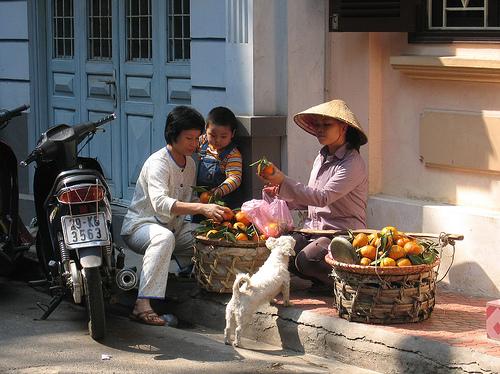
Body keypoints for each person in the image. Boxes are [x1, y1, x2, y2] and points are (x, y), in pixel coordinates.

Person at [120, 105, 231, 326]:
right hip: (141, 227)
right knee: (163, 238)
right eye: (189, 138)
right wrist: (201, 209)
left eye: (197, 138)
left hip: (175, 228)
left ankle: (197, 282)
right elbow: (161, 204)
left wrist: (214, 209)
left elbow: (187, 202)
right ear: (173, 135)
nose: (194, 144)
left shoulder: (190, 163)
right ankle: (141, 305)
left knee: (212, 237)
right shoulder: (158, 163)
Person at [259, 99, 368, 290]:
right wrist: (280, 195)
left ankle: (345, 284)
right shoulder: (322, 156)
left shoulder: (353, 163)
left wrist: (283, 180)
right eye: (317, 125)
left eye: (326, 125)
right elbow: (310, 200)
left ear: (343, 128)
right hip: (314, 231)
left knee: (306, 259)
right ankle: (323, 281)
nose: (320, 129)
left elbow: (322, 197)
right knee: (280, 251)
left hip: (341, 235)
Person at [196, 106, 243, 210]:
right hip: (201, 204)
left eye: (223, 137)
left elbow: (235, 178)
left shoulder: (232, 154)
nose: (217, 140)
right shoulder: (202, 142)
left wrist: (218, 191)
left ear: (233, 134)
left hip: (222, 205)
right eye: (212, 135)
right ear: (205, 129)